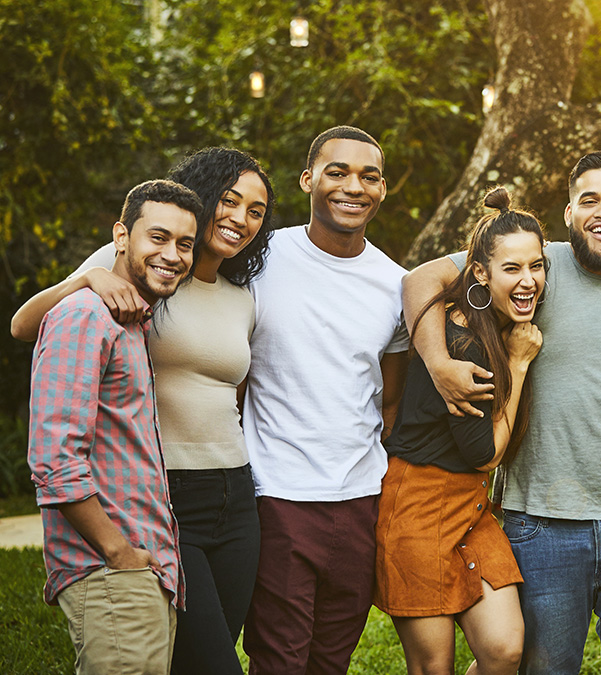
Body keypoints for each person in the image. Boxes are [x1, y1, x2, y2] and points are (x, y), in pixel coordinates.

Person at [403, 151, 601, 675]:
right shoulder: (535, 264)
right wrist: (439, 362)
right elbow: (419, 280)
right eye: (590, 200)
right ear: (568, 213)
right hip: (542, 522)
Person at [12, 147, 276, 675]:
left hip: (234, 493)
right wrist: (85, 280)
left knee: (197, 652)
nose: (240, 218)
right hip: (167, 493)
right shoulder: (131, 271)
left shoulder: (241, 295)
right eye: (228, 200)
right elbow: (28, 326)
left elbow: (235, 391)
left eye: (256, 210)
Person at [240, 126, 410, 675]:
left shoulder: (396, 284)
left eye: (369, 176)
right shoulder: (260, 257)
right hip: (278, 495)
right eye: (337, 172)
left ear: (383, 190)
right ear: (308, 179)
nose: (353, 187)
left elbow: (389, 397)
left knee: (331, 660)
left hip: (361, 501)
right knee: (280, 660)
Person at [27, 179, 199, 674]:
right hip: (109, 571)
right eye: (158, 237)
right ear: (122, 236)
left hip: (142, 569)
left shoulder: (130, 321)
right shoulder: (85, 316)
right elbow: (55, 459)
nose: (173, 255)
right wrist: (117, 550)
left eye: (184, 244)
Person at [374, 186, 542, 675]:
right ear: (480, 275)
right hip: (416, 506)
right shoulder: (464, 342)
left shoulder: (494, 317)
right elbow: (485, 454)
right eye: (512, 269)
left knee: (505, 649)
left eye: (536, 266)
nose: (528, 280)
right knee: (434, 666)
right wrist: (518, 362)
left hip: (471, 507)